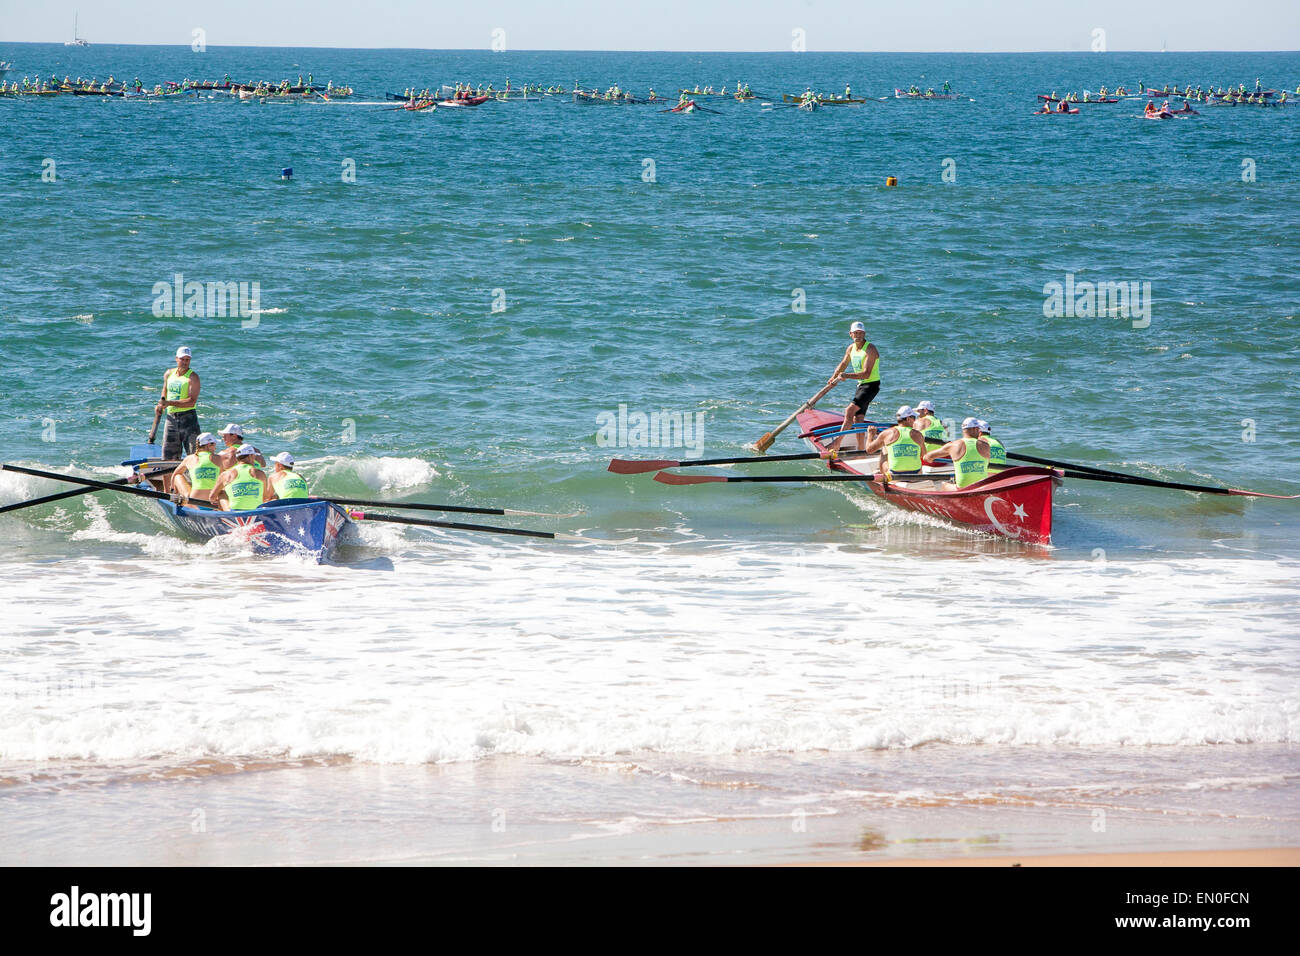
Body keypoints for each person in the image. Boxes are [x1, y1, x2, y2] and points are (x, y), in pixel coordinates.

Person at [826, 322, 880, 455]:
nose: (858, 335)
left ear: (864, 334)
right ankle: (861, 450)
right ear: (850, 334)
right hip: (861, 386)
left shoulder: (870, 349)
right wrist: (833, 378)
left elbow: (866, 373)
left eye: (861, 333)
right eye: (855, 333)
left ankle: (837, 443)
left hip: (871, 385)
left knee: (849, 411)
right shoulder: (851, 348)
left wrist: (846, 376)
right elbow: (843, 363)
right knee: (858, 418)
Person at [157, 347, 201, 461]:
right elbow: (164, 391)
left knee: (194, 455)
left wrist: (170, 402)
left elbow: (191, 401)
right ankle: (170, 478)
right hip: (171, 418)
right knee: (168, 457)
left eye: (187, 359)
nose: (185, 362)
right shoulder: (168, 374)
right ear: (176, 359)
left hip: (188, 418)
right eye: (182, 359)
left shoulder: (193, 377)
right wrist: (160, 405)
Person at [858, 406, 925, 478]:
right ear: (908, 419)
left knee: (884, 447)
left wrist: (870, 435)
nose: (915, 421)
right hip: (916, 474)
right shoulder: (919, 435)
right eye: (914, 418)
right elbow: (923, 455)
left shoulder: (887, 433)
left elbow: (869, 450)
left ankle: (882, 472)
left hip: (894, 475)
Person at [924, 417, 990, 489]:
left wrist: (929, 458)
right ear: (975, 429)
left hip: (962, 489)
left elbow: (927, 457)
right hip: (982, 487)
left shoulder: (953, 445)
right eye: (978, 429)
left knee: (943, 484)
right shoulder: (986, 446)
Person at [209, 445, 272, 511]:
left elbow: (212, 497)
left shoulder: (226, 474)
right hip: (255, 513)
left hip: (234, 513)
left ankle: (226, 513)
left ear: (237, 458)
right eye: (254, 456)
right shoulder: (260, 474)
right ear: (251, 456)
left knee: (221, 493)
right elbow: (265, 498)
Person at [170, 433, 222, 503]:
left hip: (193, 502)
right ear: (209, 445)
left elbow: (174, 475)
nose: (215, 448)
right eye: (214, 445)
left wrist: (172, 490)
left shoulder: (189, 458)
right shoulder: (219, 458)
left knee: (177, 476)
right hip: (214, 503)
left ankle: (176, 499)